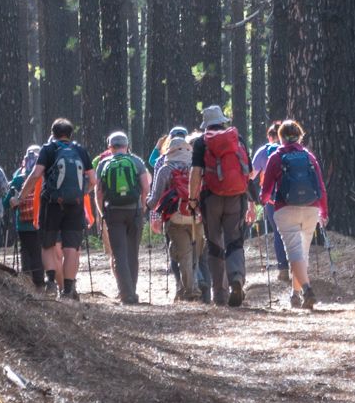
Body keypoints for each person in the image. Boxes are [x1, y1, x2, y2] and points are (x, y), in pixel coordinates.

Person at [24, 118, 98, 299]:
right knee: (71, 248)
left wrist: (21, 196)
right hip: (75, 205)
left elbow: (35, 174)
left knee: (48, 243)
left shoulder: (48, 149)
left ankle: (50, 282)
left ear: (52, 133)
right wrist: (82, 192)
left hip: (51, 203)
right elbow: (94, 180)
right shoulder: (80, 150)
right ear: (70, 134)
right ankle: (68, 290)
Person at [259, 119, 328, 311]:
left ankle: (307, 290)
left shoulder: (276, 157)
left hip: (285, 208)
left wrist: (265, 200)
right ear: (299, 136)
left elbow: (265, 191)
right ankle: (295, 296)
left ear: (280, 138)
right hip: (311, 209)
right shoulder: (309, 157)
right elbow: (320, 186)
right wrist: (324, 211)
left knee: (294, 253)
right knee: (302, 253)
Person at [188, 102, 252, 308]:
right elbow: (248, 171)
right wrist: (249, 198)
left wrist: (192, 198)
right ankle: (237, 278)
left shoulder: (201, 143)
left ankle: (220, 295)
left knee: (214, 244)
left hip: (211, 198)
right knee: (234, 239)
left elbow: (196, 172)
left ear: (206, 124)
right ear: (222, 122)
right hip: (236, 197)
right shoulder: (237, 138)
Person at [95, 131, 151, 305]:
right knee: (132, 252)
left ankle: (126, 293)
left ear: (110, 147)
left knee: (119, 253)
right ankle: (131, 290)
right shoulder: (136, 161)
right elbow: (145, 187)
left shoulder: (104, 163)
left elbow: (98, 192)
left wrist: (102, 212)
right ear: (127, 146)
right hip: (134, 211)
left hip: (113, 212)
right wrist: (142, 208)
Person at [149, 126, 202, 301]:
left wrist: (147, 205)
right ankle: (194, 285)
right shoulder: (196, 166)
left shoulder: (165, 168)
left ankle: (189, 289)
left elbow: (155, 197)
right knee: (195, 254)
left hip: (175, 217)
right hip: (196, 215)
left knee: (184, 254)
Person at [250, 122, 291, 284]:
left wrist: (253, 200)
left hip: (273, 199)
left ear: (269, 136)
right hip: (293, 197)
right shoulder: (290, 149)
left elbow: (251, 176)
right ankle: (299, 266)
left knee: (279, 233)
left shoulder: (263, 152)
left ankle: (283, 269)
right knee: (294, 231)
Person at [6, 144, 44, 287]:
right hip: (40, 221)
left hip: (23, 223)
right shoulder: (44, 175)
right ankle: (40, 282)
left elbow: (6, 202)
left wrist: (12, 201)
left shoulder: (18, 177)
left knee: (26, 250)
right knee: (38, 251)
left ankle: (27, 281)